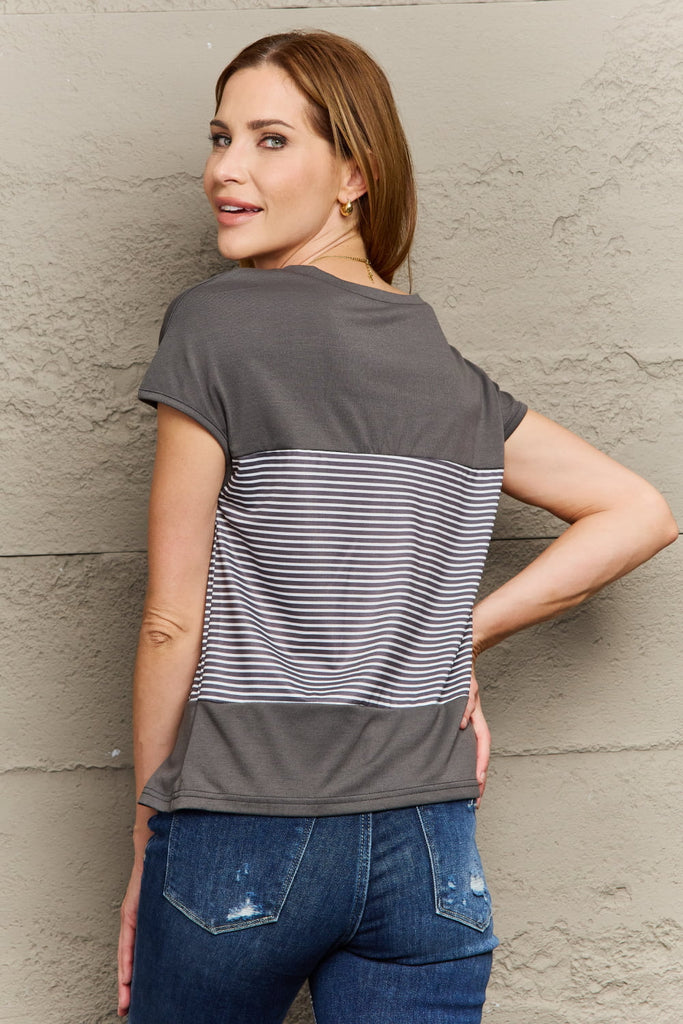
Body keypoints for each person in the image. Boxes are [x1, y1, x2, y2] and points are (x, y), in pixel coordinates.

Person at [117, 29, 677, 1024]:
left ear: (353, 176)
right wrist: (458, 638)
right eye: (220, 137)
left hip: (244, 824)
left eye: (270, 140)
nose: (225, 169)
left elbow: (171, 620)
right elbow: (637, 510)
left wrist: (148, 832)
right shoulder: (448, 375)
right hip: (428, 851)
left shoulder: (216, 324)